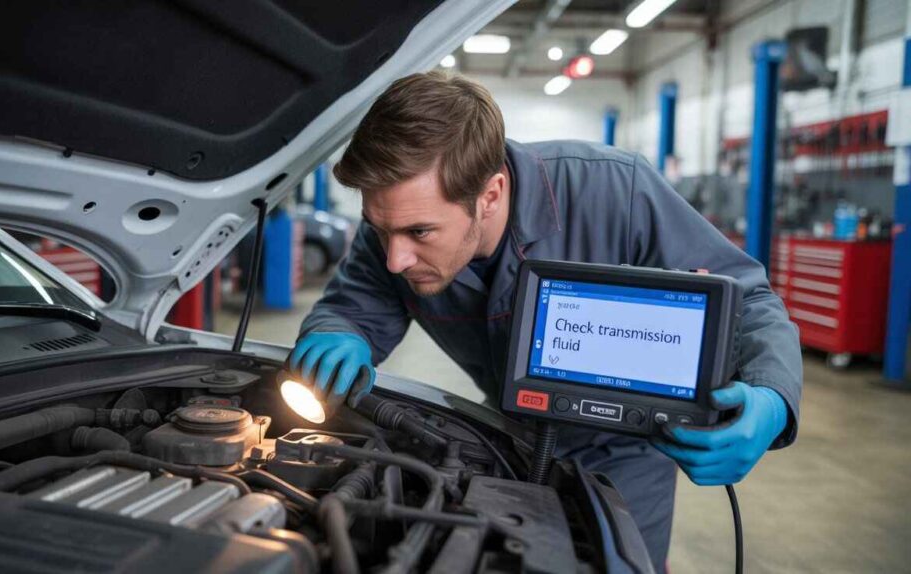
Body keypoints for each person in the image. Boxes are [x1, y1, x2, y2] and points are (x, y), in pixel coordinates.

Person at [287, 71, 802, 569]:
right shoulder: (396, 228)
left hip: (625, 452)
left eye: (420, 233)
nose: (395, 258)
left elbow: (749, 301)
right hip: (502, 431)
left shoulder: (617, 192)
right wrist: (337, 331)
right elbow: (354, 306)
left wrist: (772, 398)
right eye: (381, 229)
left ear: (489, 194)